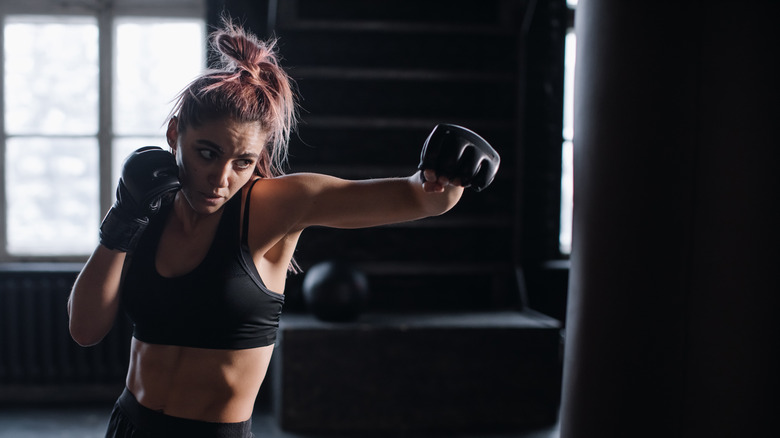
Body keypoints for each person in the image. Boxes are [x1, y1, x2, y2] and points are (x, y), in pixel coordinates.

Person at [67, 19, 498, 438]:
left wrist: (447, 172)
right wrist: (122, 219)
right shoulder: (148, 205)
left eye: (242, 162)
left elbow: (416, 198)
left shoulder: (272, 208)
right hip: (128, 425)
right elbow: (85, 330)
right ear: (175, 133)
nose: (221, 180)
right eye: (206, 153)